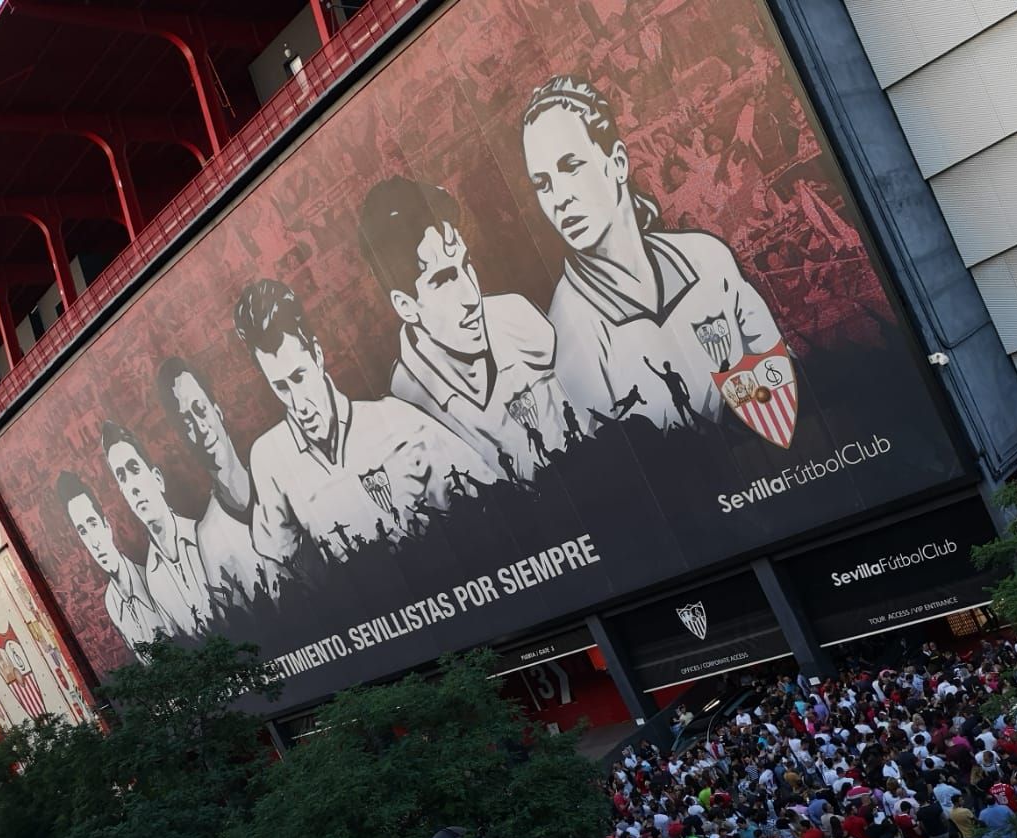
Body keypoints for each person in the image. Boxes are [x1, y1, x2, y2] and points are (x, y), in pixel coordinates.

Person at [518, 76, 795, 440]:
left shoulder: (707, 257)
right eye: (542, 184)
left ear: (618, 163)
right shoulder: (570, 331)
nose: (559, 197)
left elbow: (781, 384)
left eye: (571, 166)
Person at [235, 278, 494, 568]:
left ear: (317, 356)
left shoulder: (397, 420)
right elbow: (279, 565)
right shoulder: (269, 458)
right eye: (281, 386)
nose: (298, 403)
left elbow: (490, 493)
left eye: (299, 377)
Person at [358, 175, 569, 482]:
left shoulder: (520, 321)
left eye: (465, 263)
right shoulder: (407, 406)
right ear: (406, 306)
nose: (471, 297)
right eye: (443, 279)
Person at [154, 357, 268, 608]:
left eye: (200, 409)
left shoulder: (274, 475)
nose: (201, 427)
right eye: (187, 422)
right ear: (183, 438)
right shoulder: (209, 538)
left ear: (217, 410)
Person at [99, 421, 215, 637]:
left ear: (158, 479)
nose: (132, 486)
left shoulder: (204, 535)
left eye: (134, 469)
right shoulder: (152, 579)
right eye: (122, 477)